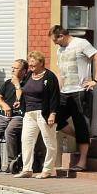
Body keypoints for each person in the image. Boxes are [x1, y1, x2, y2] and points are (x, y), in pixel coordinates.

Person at [50, 25, 97, 171]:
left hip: (80, 91)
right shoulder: (60, 50)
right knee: (54, 118)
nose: (55, 44)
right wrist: (57, 90)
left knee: (80, 124)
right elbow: (61, 72)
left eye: (55, 40)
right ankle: (81, 138)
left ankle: (82, 161)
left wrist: (95, 80)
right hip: (64, 92)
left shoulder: (81, 43)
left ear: (61, 36)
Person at [15, 50, 61, 179]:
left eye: (33, 63)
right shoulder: (29, 75)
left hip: (44, 113)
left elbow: (55, 96)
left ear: (41, 62)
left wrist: (52, 113)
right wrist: (20, 102)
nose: (30, 66)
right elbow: (25, 91)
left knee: (49, 142)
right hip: (29, 113)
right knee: (26, 141)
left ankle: (47, 170)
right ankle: (27, 169)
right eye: (29, 63)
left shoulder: (49, 76)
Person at [0, 58, 28, 173]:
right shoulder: (7, 83)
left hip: (19, 115)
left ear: (24, 71)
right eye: (12, 68)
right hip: (4, 115)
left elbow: (20, 98)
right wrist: (4, 105)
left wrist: (17, 84)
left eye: (16, 68)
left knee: (9, 131)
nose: (13, 70)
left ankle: (11, 162)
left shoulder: (27, 83)